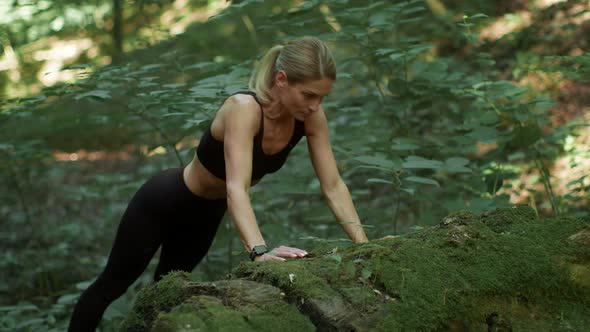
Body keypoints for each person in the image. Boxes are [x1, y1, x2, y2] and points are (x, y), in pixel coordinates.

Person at [68, 36, 368, 331]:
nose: (316, 105)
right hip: (163, 202)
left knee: (166, 294)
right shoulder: (244, 108)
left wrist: (365, 248)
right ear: (281, 79)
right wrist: (260, 252)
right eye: (309, 95)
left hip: (207, 215)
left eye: (322, 97)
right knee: (111, 285)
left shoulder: (311, 118)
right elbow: (236, 187)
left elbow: (333, 185)